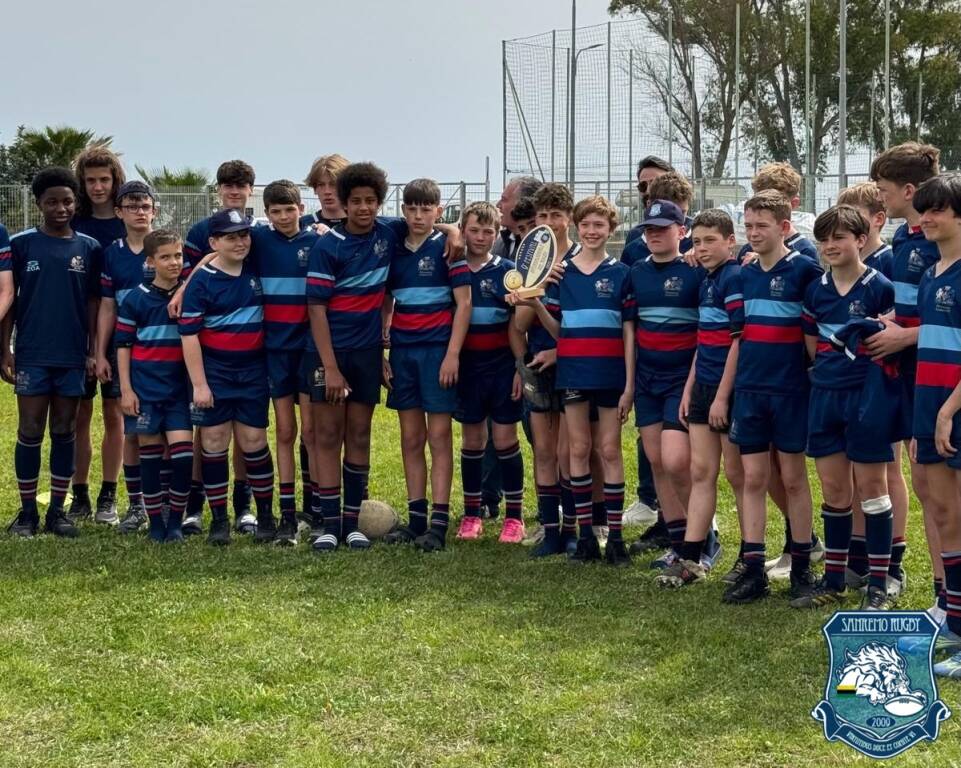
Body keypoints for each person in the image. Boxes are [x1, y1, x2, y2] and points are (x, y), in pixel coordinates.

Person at [518, 195, 634, 565]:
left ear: (611, 229)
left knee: (610, 450)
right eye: (586, 224)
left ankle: (614, 536)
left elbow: (628, 332)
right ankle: (584, 536)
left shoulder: (620, 274)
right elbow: (558, 331)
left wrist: (629, 383)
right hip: (572, 374)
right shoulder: (561, 274)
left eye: (599, 225)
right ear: (577, 227)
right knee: (578, 451)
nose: (592, 231)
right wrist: (535, 301)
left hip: (609, 373)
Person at [793, 205, 897, 611]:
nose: (831, 245)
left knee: (873, 490)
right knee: (835, 490)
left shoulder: (879, 287)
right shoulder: (815, 290)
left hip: (866, 397)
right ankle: (834, 578)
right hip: (825, 395)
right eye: (825, 238)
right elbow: (810, 345)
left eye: (839, 237)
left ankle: (878, 583)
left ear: (860, 239)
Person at [725, 190, 823, 604]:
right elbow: (737, 336)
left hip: (790, 390)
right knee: (752, 478)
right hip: (750, 390)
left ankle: (802, 566)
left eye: (761, 226)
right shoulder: (741, 274)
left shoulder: (805, 271)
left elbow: (813, 335)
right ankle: (753, 566)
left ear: (785, 227)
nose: (753, 234)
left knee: (795, 479)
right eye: (747, 226)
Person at [305, 162, 405, 552]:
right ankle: (329, 525)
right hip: (328, 353)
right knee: (328, 435)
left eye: (371, 201)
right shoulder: (328, 245)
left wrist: (450, 230)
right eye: (356, 201)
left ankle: (353, 523)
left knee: (360, 434)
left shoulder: (388, 233)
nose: (364, 207)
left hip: (366, 354)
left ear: (379, 202)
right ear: (343, 204)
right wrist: (329, 367)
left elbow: (434, 226)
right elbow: (316, 309)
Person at [866, 142, 944, 619]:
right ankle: (943, 593)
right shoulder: (903, 241)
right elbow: (918, 306)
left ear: (910, 191)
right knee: (926, 487)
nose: (881, 199)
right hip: (913, 379)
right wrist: (890, 321)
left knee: (943, 490)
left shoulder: (943, 239)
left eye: (885, 190)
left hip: (941, 377)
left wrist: (905, 338)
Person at [4, 168, 100, 538]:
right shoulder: (21, 244)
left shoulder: (89, 248)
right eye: (51, 202)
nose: (60, 208)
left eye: (66, 201)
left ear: (76, 203)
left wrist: (92, 350)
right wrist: (6, 350)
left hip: (72, 356)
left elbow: (94, 304)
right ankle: (27, 512)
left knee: (64, 430)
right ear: (39, 204)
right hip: (31, 354)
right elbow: (9, 300)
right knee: (30, 430)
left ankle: (57, 512)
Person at [381, 179, 472, 551]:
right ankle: (416, 518)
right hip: (403, 354)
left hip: (437, 353)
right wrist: (380, 349)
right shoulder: (393, 249)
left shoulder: (449, 249)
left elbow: (464, 305)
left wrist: (452, 354)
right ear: (404, 210)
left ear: (438, 211)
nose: (419, 216)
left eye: (426, 209)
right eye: (412, 208)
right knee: (410, 438)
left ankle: (438, 521)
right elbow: (384, 303)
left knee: (438, 437)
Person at [659, 209, 744, 587]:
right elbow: (704, 340)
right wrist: (692, 388)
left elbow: (737, 340)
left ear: (731, 241)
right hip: (703, 387)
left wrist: (722, 396)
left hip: (729, 390)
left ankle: (750, 554)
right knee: (700, 472)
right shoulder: (706, 280)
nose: (702, 248)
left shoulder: (735, 276)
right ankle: (692, 556)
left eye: (711, 240)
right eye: (696, 241)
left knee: (738, 475)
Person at [179, 209, 274, 546]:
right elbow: (189, 335)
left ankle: (264, 516)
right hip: (215, 372)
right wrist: (200, 384)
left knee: (253, 442)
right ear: (213, 242)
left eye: (244, 235)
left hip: (252, 371)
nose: (239, 242)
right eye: (230, 237)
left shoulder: (257, 269)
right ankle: (219, 520)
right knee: (214, 442)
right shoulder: (202, 280)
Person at [836, 180, 911, 598]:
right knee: (855, 469)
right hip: (848, 384)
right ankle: (860, 556)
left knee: (888, 470)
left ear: (877, 220)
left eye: (856, 219)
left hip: (884, 378)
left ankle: (894, 561)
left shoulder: (889, 261)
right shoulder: (846, 263)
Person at [627, 200, 710, 568]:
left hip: (682, 379)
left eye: (663, 228)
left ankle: (704, 537)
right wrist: (630, 385)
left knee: (677, 461)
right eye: (649, 229)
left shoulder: (695, 270)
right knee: (658, 461)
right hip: (647, 380)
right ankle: (680, 545)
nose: (655, 234)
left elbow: (705, 332)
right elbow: (630, 329)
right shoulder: (636, 273)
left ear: (682, 231)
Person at [181, 159, 257, 534]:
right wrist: (184, 286)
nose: (234, 191)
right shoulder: (201, 231)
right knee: (208, 435)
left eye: (241, 185)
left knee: (249, 437)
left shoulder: (257, 231)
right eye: (228, 185)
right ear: (218, 189)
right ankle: (198, 505)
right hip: (210, 352)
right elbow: (197, 269)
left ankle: (244, 506)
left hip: (250, 360)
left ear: (250, 191)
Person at [248, 180, 322, 546]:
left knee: (311, 432)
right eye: (275, 212)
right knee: (285, 431)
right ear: (266, 214)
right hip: (275, 349)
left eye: (288, 210)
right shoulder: (258, 240)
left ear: (301, 209)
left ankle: (315, 509)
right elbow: (215, 254)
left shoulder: (318, 240)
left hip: (308, 348)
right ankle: (288, 514)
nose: (282, 217)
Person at [513, 183, 581, 556]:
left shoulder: (581, 258)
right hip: (537, 362)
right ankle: (550, 529)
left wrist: (561, 349)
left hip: (573, 364)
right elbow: (520, 323)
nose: (550, 222)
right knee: (543, 450)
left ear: (568, 218)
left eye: (557, 215)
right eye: (543, 216)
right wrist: (535, 284)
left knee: (569, 451)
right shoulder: (531, 261)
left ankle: (573, 529)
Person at [911, 172, 961, 678]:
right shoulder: (933, 270)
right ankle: (953, 617)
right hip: (929, 404)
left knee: (958, 514)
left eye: (937, 211)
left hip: (953, 408)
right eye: (923, 210)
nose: (926, 219)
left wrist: (948, 409)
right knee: (943, 510)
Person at [95, 181, 165, 534]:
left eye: (144, 205)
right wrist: (99, 352)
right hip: (126, 353)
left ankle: (168, 502)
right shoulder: (112, 253)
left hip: (166, 354)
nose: (139, 211)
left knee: (169, 429)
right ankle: (137, 504)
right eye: (131, 205)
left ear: (154, 209)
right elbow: (107, 306)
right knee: (132, 430)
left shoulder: (168, 246)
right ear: (119, 211)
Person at [114, 229, 193, 542]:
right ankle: (156, 522)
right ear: (150, 261)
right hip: (145, 391)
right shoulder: (135, 299)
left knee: (183, 455)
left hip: (178, 391)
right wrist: (127, 390)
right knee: (149, 452)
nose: (174, 262)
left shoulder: (190, 294)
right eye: (165, 257)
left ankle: (175, 520)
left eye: (178, 255)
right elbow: (123, 345)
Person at [454, 202, 526, 542]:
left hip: (501, 366)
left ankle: (514, 517)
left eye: (489, 231)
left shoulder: (508, 271)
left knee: (505, 439)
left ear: (497, 234)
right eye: (473, 230)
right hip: (467, 367)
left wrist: (518, 367)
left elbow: (518, 325)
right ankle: (472, 514)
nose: (481, 237)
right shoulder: (452, 266)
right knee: (472, 440)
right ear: (463, 230)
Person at [71, 146, 127, 526]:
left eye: (104, 179)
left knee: (115, 414)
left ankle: (109, 493)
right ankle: (79, 494)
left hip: (119, 331)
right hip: (77, 328)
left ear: (115, 180)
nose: (97, 186)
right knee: (79, 414)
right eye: (90, 180)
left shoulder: (127, 224)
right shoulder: (72, 220)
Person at [737, 162, 818, 263]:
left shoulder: (805, 250)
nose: (762, 209)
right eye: (758, 202)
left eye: (774, 203)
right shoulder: (748, 249)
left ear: (794, 203)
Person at [626, 155, 675, 243]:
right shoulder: (635, 236)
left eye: (656, 184)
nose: (648, 191)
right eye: (643, 186)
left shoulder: (696, 234)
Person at [493, 176, 542, 259]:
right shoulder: (500, 243)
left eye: (504, 199)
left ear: (522, 203)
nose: (498, 205)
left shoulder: (544, 246)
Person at [302, 154, 349, 229]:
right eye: (321, 185)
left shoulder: (364, 225)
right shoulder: (302, 225)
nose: (327, 191)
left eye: (333, 184)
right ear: (315, 189)